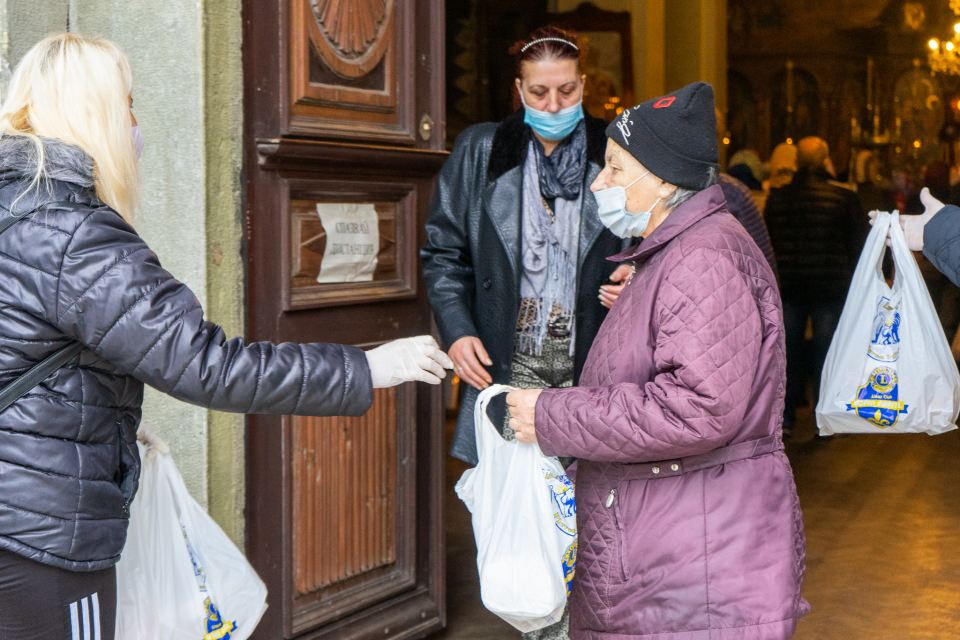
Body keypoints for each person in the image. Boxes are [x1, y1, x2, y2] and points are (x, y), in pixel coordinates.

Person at [0, 33, 452, 640]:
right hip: (42, 531)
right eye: (128, 104)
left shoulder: (15, 209)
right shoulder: (76, 233)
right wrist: (366, 368)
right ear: (98, 113)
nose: (135, 123)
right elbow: (208, 364)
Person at [505, 82, 809, 640]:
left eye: (617, 169)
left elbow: (696, 408)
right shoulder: (679, 251)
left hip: (692, 567)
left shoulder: (704, 254)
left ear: (664, 179)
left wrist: (551, 416)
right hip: (673, 552)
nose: (599, 182)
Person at [421, 26, 626, 466]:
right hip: (506, 366)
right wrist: (457, 331)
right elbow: (443, 254)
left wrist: (637, 277)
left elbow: (650, 239)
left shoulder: (615, 153)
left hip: (590, 366)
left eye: (566, 91)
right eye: (538, 92)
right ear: (518, 89)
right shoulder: (480, 150)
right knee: (509, 518)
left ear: (583, 85)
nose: (553, 105)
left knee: (584, 517)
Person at [764, 136, 867, 435]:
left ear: (796, 162)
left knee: (787, 354)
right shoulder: (842, 197)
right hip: (829, 286)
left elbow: (767, 243)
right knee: (827, 352)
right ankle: (826, 418)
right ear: (825, 161)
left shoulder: (778, 197)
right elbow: (856, 244)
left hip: (789, 285)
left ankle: (784, 419)